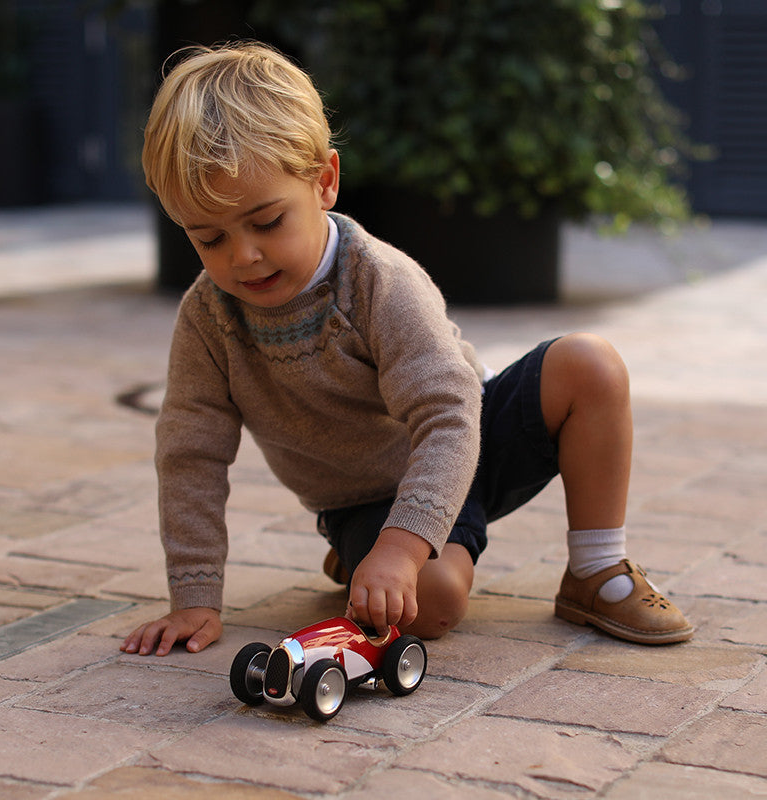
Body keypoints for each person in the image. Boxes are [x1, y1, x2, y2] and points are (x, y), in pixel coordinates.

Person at [122, 41, 693, 658]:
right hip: (365, 493)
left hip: (466, 436)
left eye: (267, 223)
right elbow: (190, 457)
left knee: (592, 364)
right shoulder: (210, 320)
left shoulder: (378, 282)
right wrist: (196, 597)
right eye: (209, 238)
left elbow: (450, 414)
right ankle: (363, 553)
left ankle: (597, 570)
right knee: (435, 602)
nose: (243, 256)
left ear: (325, 182)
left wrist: (399, 548)